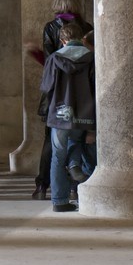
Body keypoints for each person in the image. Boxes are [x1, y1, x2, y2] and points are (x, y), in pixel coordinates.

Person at [27, 0, 92, 200]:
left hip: (57, 99)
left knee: (52, 146)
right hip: (83, 97)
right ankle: (75, 187)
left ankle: (43, 187)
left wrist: (36, 53)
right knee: (79, 141)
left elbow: (49, 63)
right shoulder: (87, 28)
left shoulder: (51, 28)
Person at [40, 18, 97, 213]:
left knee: (57, 155)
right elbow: (95, 88)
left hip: (60, 114)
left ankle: (59, 200)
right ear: (81, 38)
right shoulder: (91, 58)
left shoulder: (55, 58)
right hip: (84, 114)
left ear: (63, 40)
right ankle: (85, 192)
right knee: (80, 146)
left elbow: (46, 87)